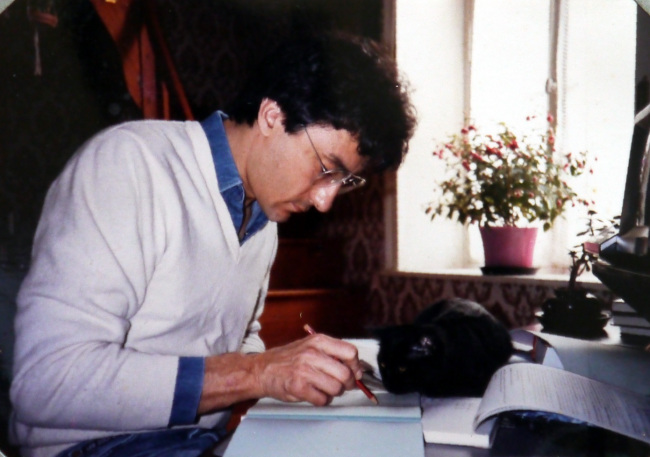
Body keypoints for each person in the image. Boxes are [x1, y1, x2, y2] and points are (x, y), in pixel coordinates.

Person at [9, 32, 416, 457]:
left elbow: (237, 339)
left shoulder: (263, 216)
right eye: (326, 169)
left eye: (344, 182)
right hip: (93, 447)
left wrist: (291, 371)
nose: (324, 200)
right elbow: (44, 381)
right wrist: (257, 373)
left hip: (196, 443)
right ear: (272, 115)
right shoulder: (127, 165)